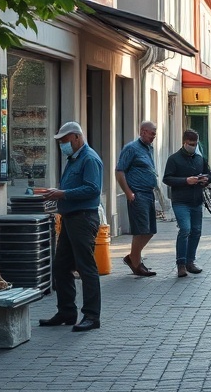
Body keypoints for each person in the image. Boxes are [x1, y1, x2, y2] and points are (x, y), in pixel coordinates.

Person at [39, 121, 104, 332]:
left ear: (76, 137)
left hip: (83, 218)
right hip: (70, 218)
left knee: (86, 267)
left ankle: (92, 316)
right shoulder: (74, 159)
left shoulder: (89, 159)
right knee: (61, 265)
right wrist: (58, 192)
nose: (62, 145)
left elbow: (92, 189)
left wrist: (63, 194)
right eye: (60, 142)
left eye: (64, 140)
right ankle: (66, 311)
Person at [162, 130, 211, 278]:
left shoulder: (199, 158)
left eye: (195, 144)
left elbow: (210, 174)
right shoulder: (174, 159)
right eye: (191, 144)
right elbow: (167, 179)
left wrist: (206, 179)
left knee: (196, 231)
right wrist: (186, 181)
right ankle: (181, 264)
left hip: (196, 200)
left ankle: (190, 261)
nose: (193, 146)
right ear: (184, 142)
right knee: (185, 229)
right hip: (180, 201)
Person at [115, 121, 159, 277]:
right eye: (152, 133)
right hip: (137, 194)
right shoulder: (131, 148)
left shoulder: (149, 148)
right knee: (141, 230)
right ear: (143, 131)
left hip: (148, 193)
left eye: (155, 134)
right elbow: (119, 172)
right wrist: (128, 193)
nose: (154, 136)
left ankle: (132, 257)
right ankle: (136, 262)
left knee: (150, 231)